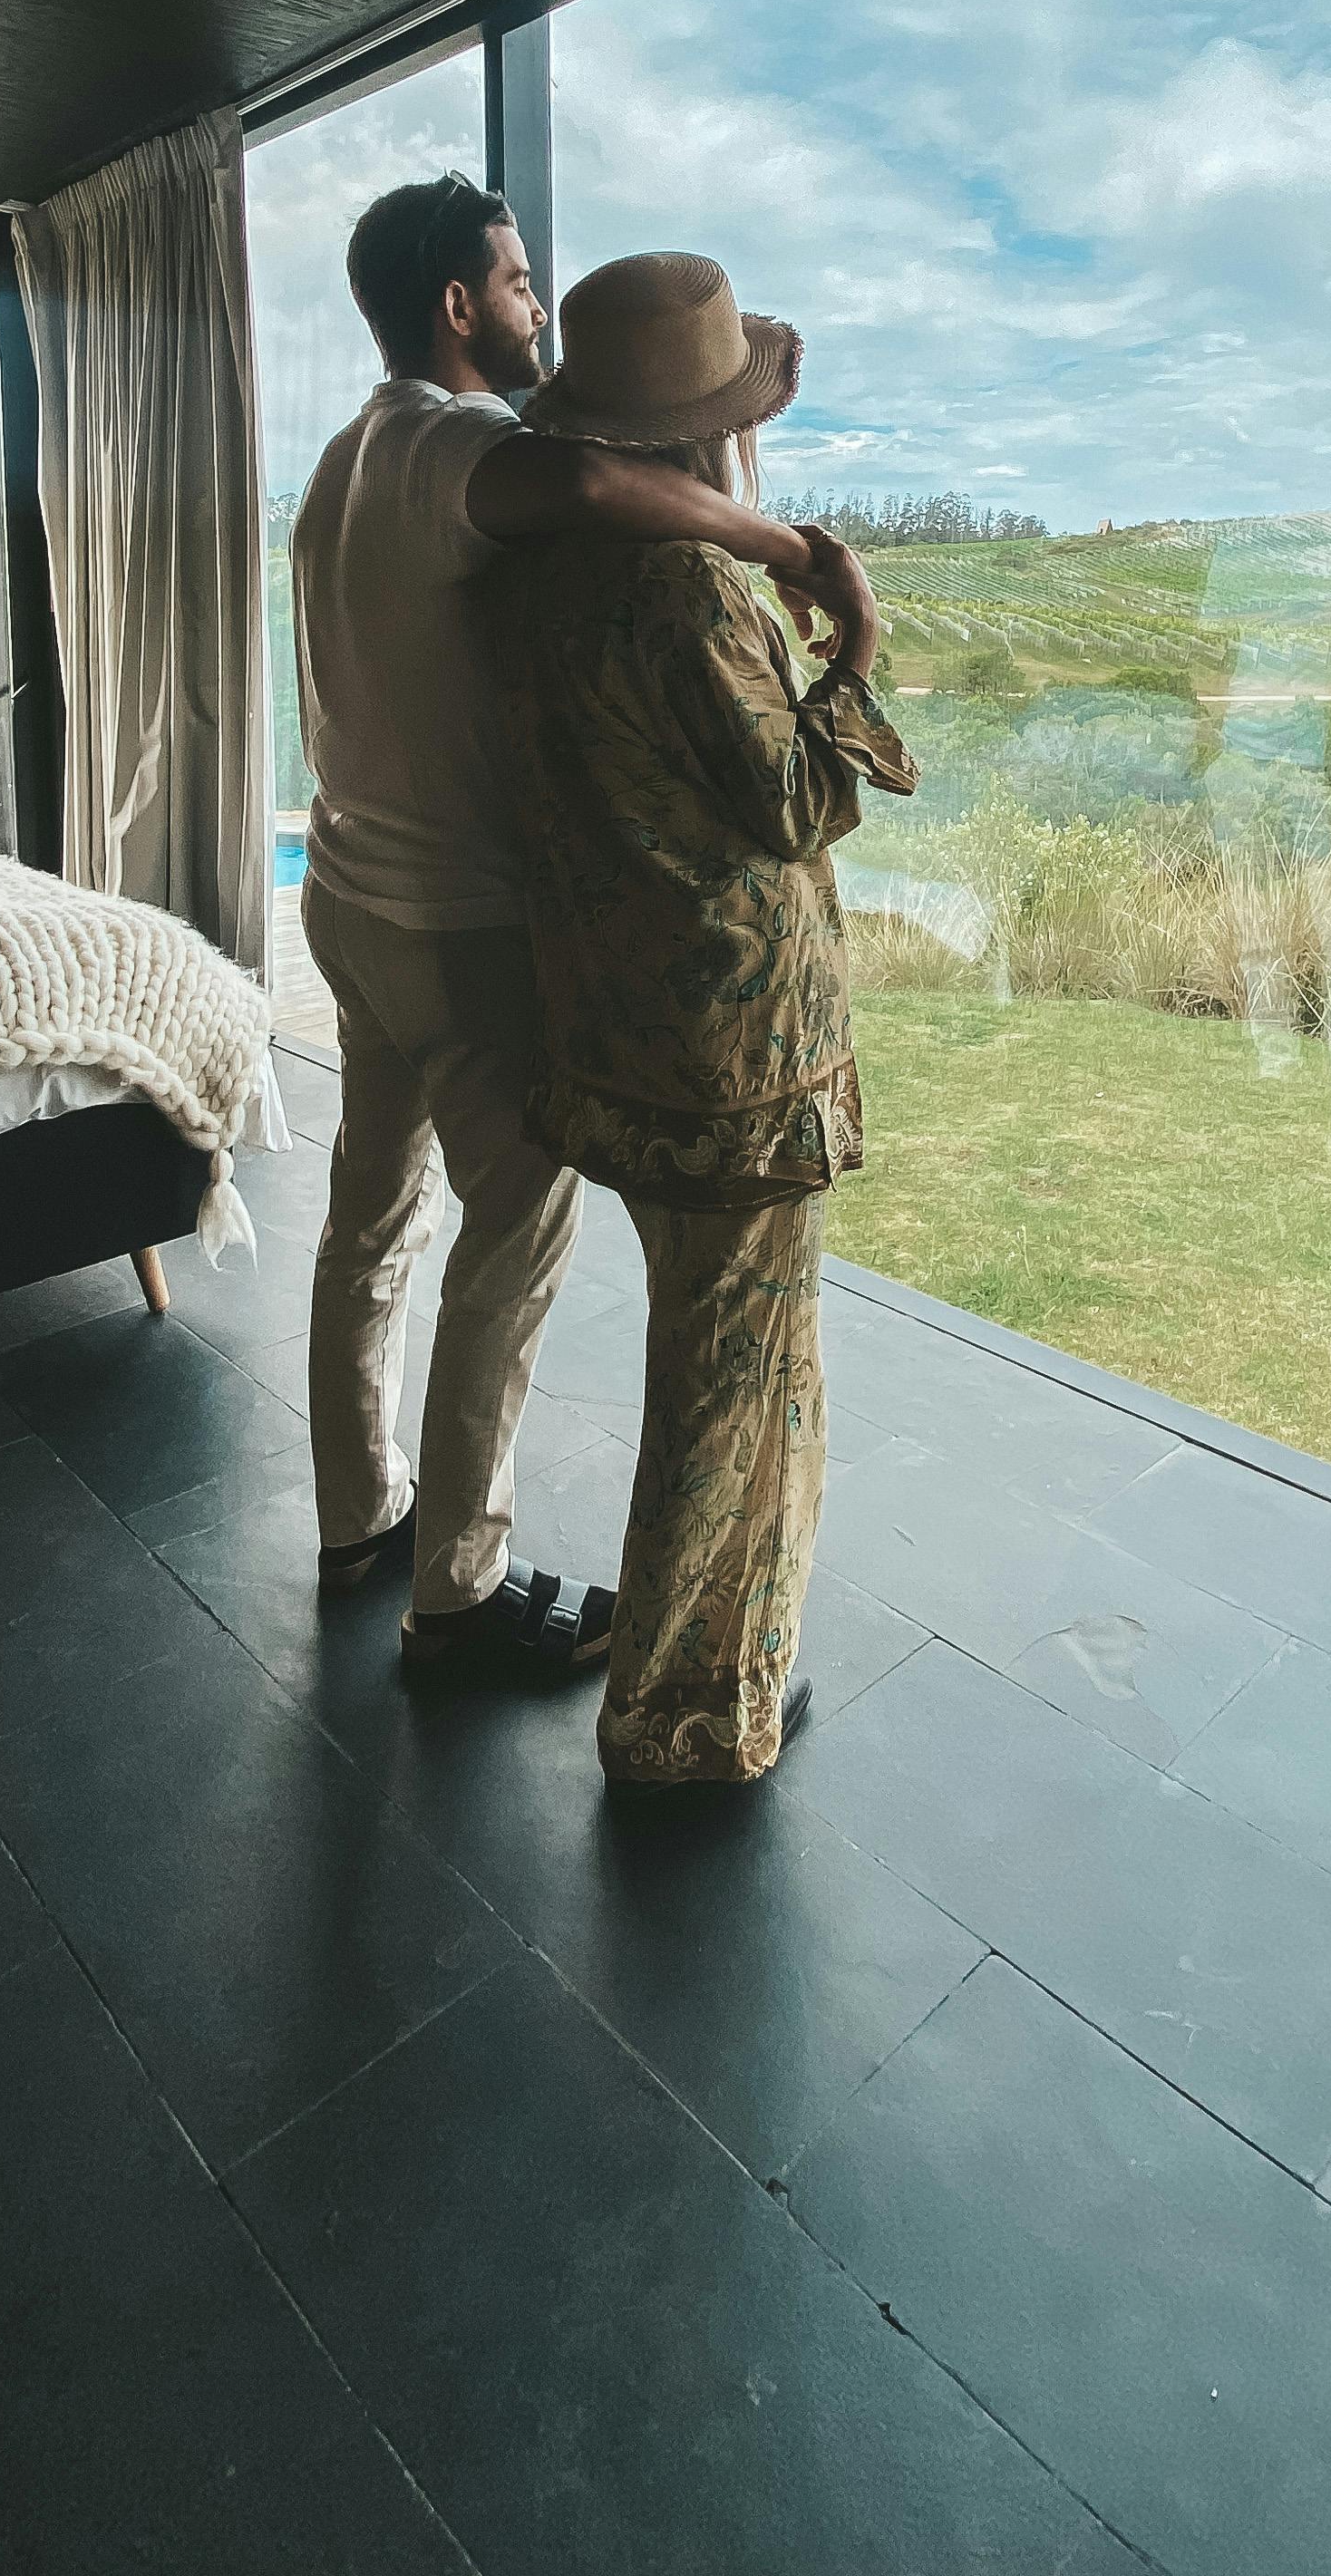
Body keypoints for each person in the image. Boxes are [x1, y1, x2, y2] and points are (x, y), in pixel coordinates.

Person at [288, 174, 850, 1686]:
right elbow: (596, 490)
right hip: (451, 919)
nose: (537, 309)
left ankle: (358, 1514)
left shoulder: (344, 455)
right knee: (515, 1235)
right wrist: (788, 549)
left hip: (346, 893)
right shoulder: (449, 443)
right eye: (521, 283)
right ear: (457, 306)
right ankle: (458, 1588)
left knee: (370, 1219)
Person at [489, 251, 915, 1782]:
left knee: (711, 1356)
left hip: (623, 1032)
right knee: (737, 1387)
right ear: (712, 431)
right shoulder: (685, 589)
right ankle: (684, 1714)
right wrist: (852, 644)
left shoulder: (541, 576)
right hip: (736, 1061)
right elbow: (796, 803)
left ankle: (707, 1677)